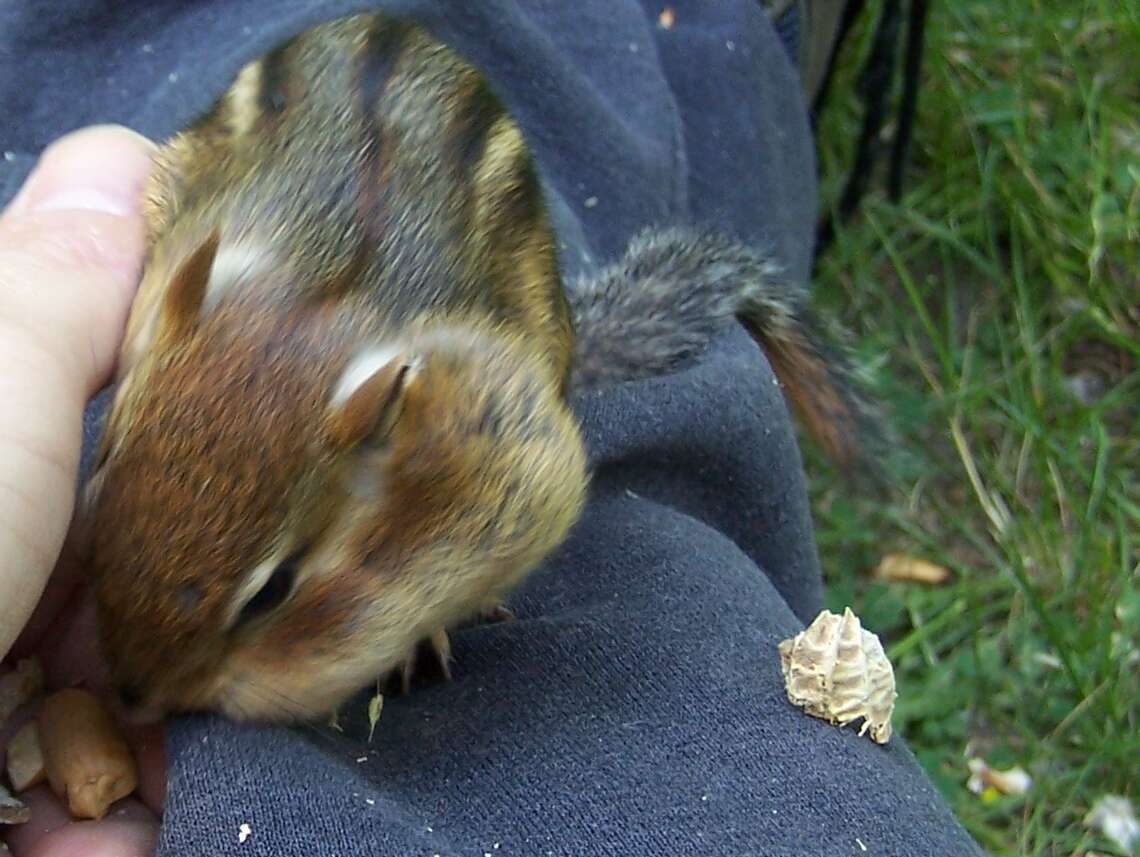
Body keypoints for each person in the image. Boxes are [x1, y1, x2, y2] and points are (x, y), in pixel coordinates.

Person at [0, 2, 984, 854]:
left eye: (274, 585)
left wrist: (417, 603)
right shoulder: (183, 291)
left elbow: (541, 475)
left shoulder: (435, 415)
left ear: (380, 435)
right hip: (308, 173)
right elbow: (176, 181)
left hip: (448, 233)